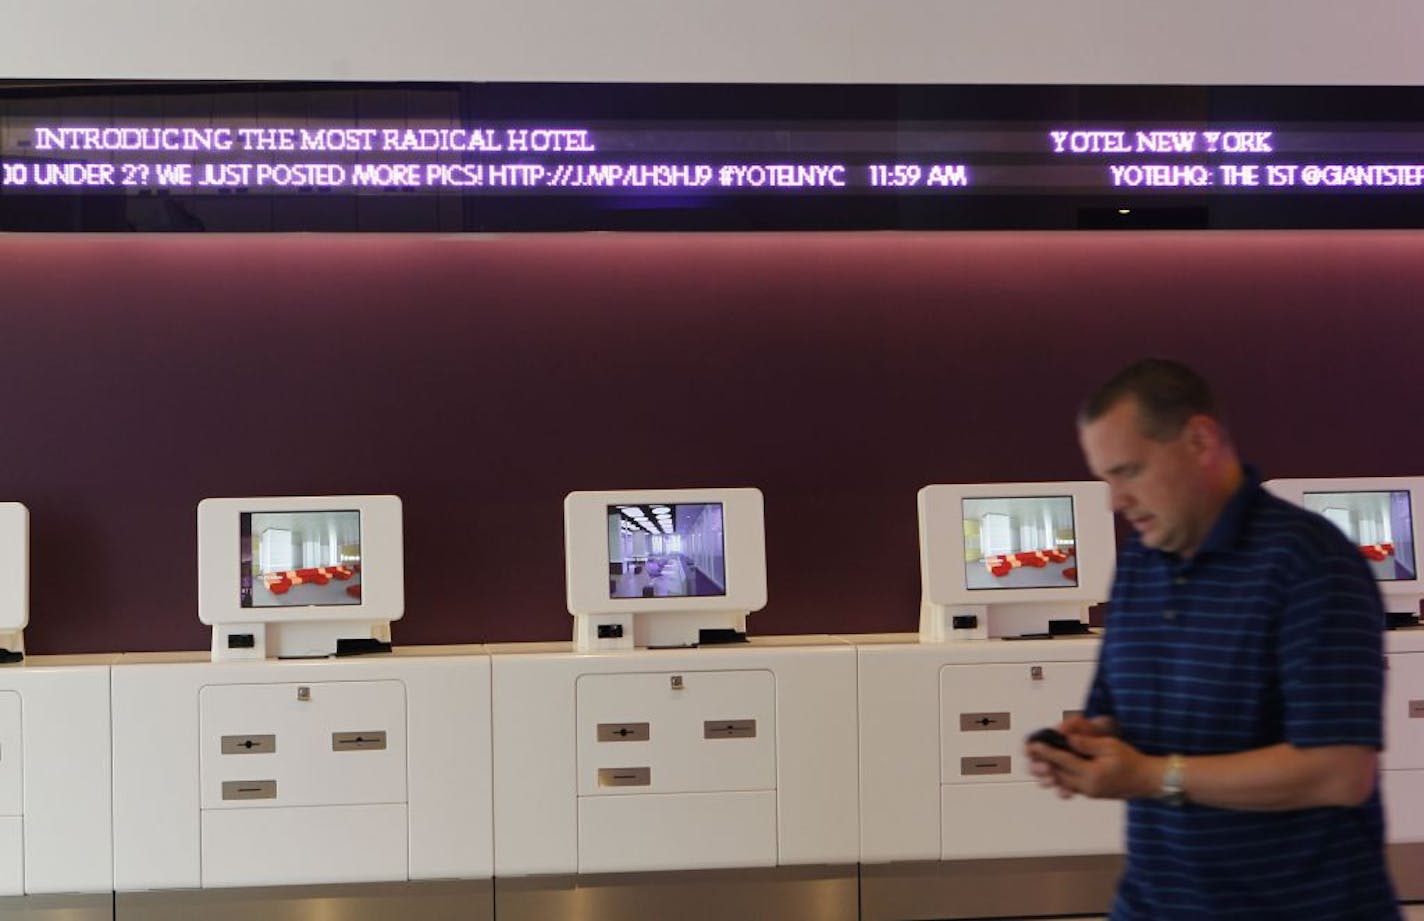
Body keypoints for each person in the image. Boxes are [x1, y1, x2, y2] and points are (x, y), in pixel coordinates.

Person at [1027, 358, 1399, 919]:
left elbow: (1339, 772)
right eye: (1105, 479)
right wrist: (1085, 744)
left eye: (1129, 471)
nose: (1115, 501)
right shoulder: (1140, 565)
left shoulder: (1310, 565)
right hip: (1155, 901)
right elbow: (1116, 712)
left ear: (1200, 440)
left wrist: (1153, 776)